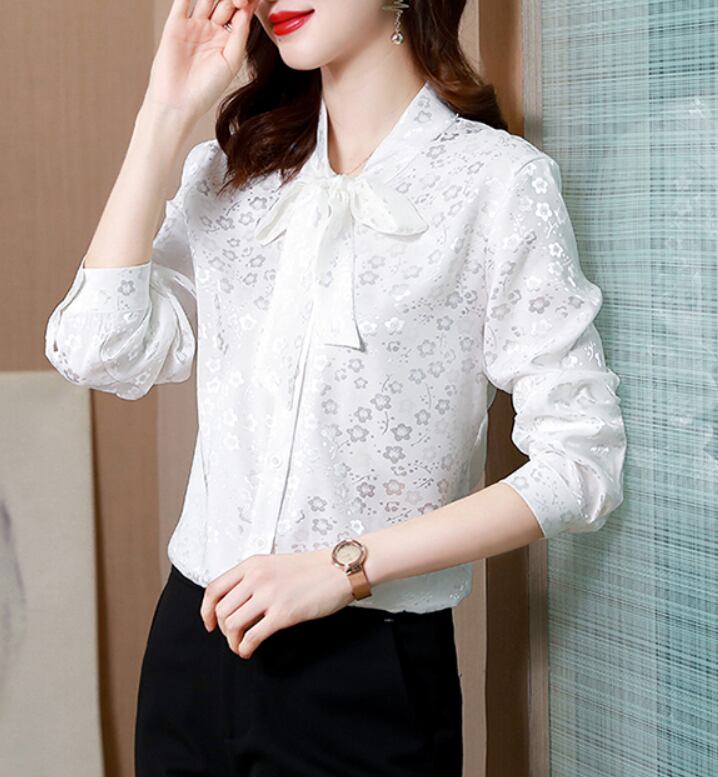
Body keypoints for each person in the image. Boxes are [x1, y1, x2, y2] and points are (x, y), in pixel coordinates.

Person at [44, 0, 628, 775]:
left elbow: (581, 464)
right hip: (194, 647)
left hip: (365, 679)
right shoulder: (230, 170)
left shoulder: (497, 184)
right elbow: (97, 350)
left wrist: (344, 565)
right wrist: (163, 114)